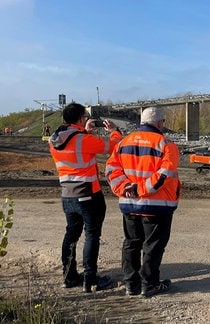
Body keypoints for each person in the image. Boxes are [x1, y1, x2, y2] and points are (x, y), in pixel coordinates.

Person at [105, 107, 182, 298]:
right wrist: (140, 189)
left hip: (129, 203)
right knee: (153, 246)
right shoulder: (166, 144)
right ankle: (150, 285)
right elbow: (164, 174)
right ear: (159, 123)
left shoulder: (123, 142)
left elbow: (111, 169)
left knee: (131, 243)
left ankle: (131, 285)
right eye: (163, 123)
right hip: (157, 205)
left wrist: (125, 188)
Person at [49, 102, 122, 292]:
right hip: (88, 194)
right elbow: (113, 146)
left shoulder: (54, 139)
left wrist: (85, 132)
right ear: (81, 118)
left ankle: (69, 276)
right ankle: (90, 280)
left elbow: (77, 151)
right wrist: (114, 130)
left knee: (71, 234)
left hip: (67, 195)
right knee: (92, 235)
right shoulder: (82, 139)